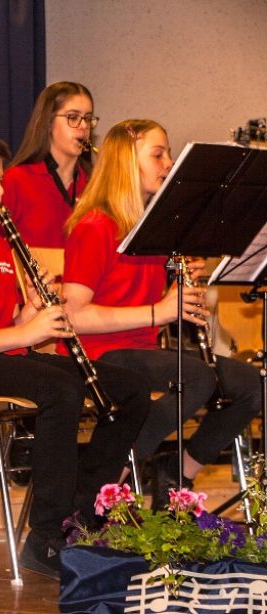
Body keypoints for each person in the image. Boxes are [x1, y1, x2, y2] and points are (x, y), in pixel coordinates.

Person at [0, 129, 150, 578]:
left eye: (0, 181)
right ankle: (47, 535)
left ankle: (85, 513)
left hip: (2, 362)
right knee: (59, 388)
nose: (0, 192)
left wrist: (30, 316)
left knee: (129, 389)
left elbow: (6, 330)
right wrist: (25, 334)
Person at [61, 118, 261, 509]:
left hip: (141, 353)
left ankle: (177, 473)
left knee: (250, 384)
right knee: (197, 378)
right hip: (99, 355)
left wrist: (179, 294)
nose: (169, 163)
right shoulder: (95, 226)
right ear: (125, 162)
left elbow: (149, 307)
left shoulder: (151, 230)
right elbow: (74, 317)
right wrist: (160, 311)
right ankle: (107, 479)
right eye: (158, 154)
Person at [0, 81, 97, 248]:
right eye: (73, 117)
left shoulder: (95, 185)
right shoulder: (15, 180)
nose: (83, 126)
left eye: (87, 119)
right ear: (49, 122)